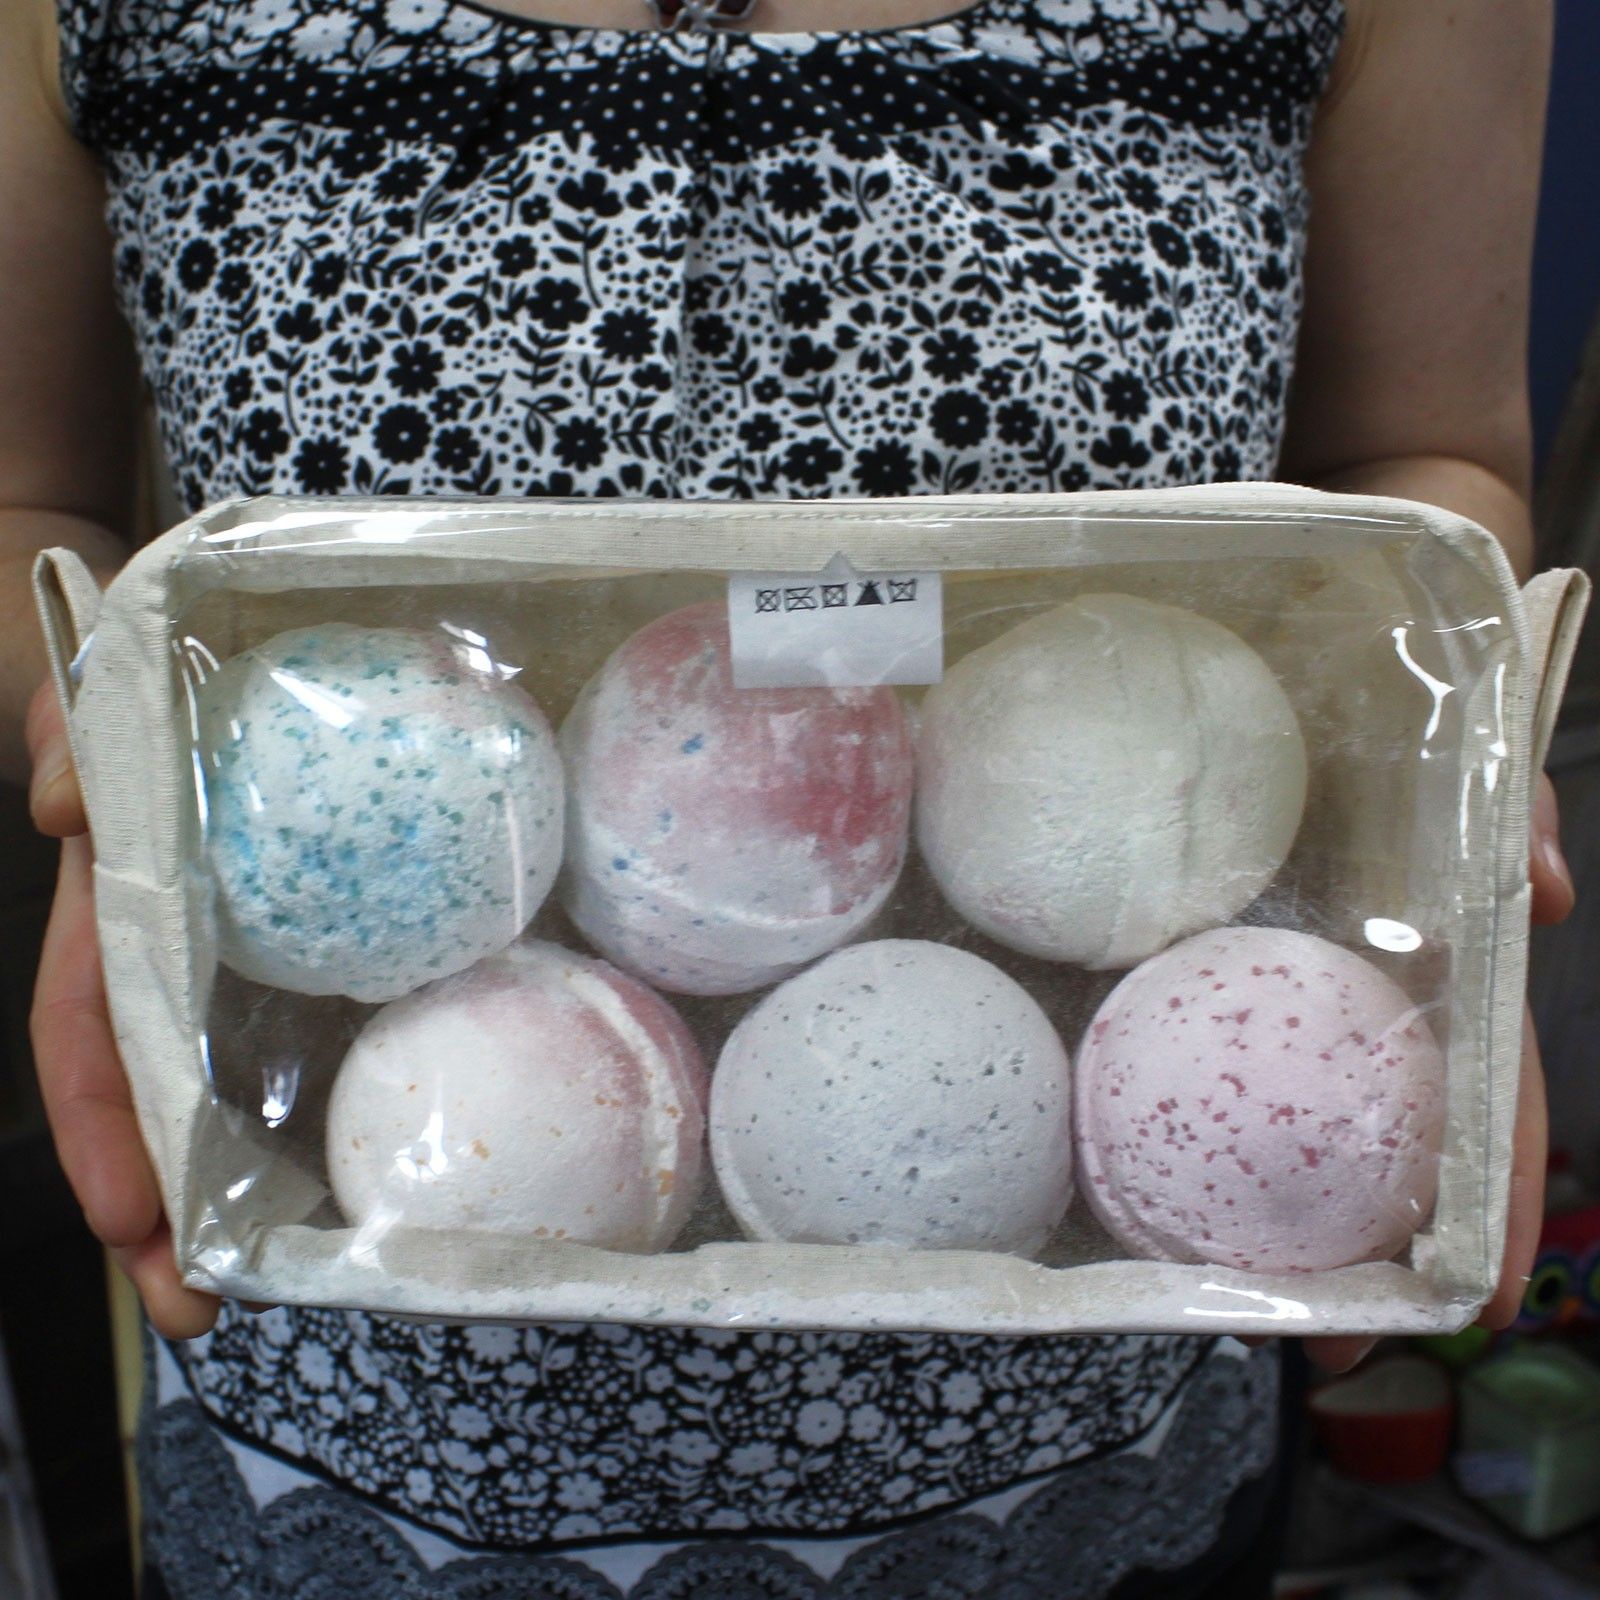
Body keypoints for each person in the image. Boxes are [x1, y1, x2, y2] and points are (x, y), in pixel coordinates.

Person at [2, 0, 1573, 1594]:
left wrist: (1449, 783)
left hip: (1097, 1421)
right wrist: (94, 723)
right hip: (352, 1390)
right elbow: (22, 494)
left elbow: (1427, 447)